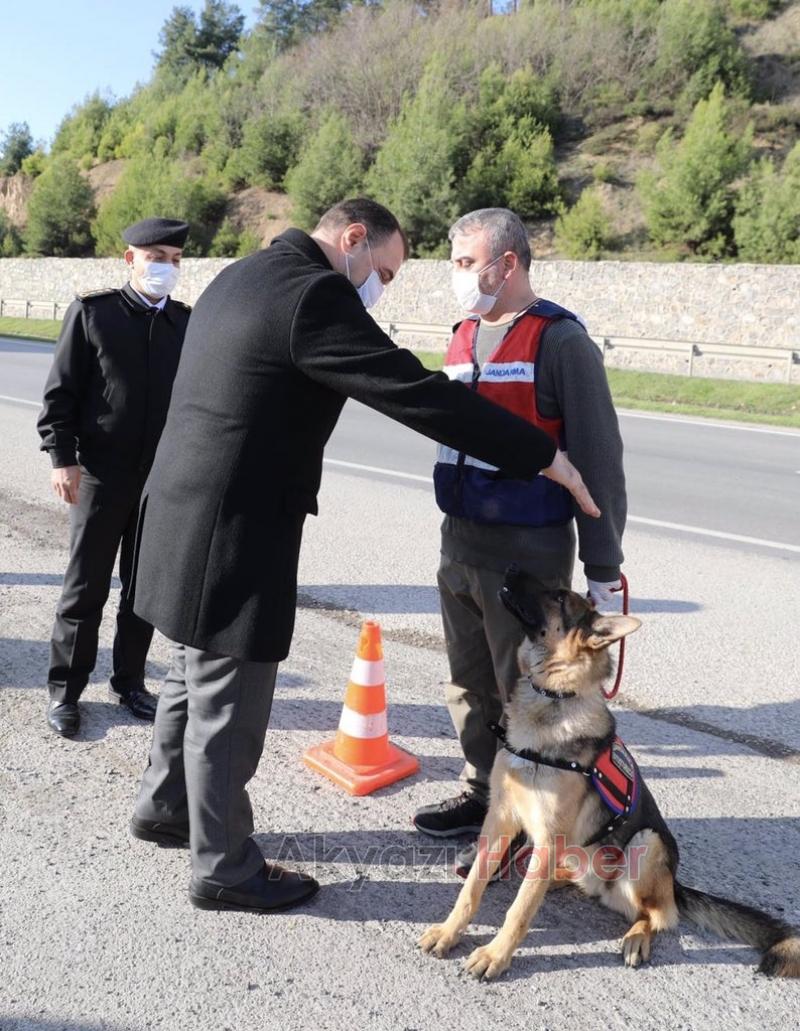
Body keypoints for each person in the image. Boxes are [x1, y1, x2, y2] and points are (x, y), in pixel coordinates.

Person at [127, 197, 600, 915]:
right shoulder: (312, 294)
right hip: (233, 526)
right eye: (381, 269)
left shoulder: (244, 273)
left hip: (180, 507)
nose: (378, 287)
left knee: (190, 672)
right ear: (351, 239)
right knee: (229, 693)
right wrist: (542, 454)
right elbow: (415, 392)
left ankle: (166, 805)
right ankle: (224, 865)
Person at [411, 208, 627, 877]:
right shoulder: (462, 334)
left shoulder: (560, 343)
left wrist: (603, 567)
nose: (456, 276)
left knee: (525, 694)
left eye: (464, 262)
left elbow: (597, 460)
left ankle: (532, 826)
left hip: (526, 550)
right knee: (467, 684)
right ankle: (484, 797)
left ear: (507, 264)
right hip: (461, 542)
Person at [37, 217, 192, 738]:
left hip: (161, 482)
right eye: (155, 256)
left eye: (173, 258)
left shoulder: (185, 325)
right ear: (130, 259)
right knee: (86, 587)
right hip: (101, 474)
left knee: (143, 590)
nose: (164, 267)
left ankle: (129, 682)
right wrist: (63, 457)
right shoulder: (93, 314)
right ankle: (65, 692)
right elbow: (60, 394)